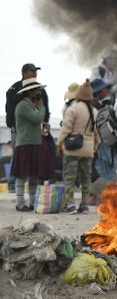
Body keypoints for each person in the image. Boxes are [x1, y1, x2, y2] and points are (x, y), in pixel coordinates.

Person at [11, 80, 54, 212]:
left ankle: (32, 203)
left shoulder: (32, 105)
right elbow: (37, 118)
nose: (40, 93)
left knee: (34, 175)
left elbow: (37, 121)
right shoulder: (23, 106)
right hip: (25, 143)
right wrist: (42, 107)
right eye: (37, 90)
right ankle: (20, 203)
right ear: (29, 92)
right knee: (21, 175)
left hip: (34, 143)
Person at [57, 81, 98, 214]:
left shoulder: (73, 109)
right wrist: (95, 146)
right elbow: (96, 133)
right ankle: (84, 205)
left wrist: (59, 143)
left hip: (72, 149)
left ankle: (70, 205)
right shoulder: (95, 111)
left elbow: (66, 128)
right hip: (88, 150)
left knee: (70, 177)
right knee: (86, 178)